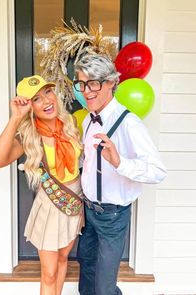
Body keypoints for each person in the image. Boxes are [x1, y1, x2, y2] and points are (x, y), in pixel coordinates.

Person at [73, 54, 167, 295]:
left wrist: (119, 161)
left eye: (93, 83)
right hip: (88, 210)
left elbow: (157, 171)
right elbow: (89, 162)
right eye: (81, 83)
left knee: (104, 288)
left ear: (111, 83)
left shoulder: (129, 123)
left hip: (112, 217)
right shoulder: (88, 122)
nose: (86, 90)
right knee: (86, 275)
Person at [0, 74, 84, 295]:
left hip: (74, 201)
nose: (46, 101)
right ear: (29, 106)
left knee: (63, 260)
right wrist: (15, 119)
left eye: (47, 92)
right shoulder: (29, 136)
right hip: (51, 205)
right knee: (48, 272)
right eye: (36, 99)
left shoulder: (70, 124)